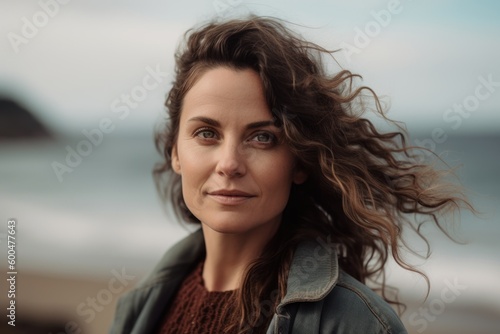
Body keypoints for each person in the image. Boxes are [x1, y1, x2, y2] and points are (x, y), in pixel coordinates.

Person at [109, 16, 471, 334]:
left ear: (298, 161)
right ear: (175, 151)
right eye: (207, 133)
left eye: (262, 137)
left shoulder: (356, 324)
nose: (229, 163)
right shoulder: (139, 309)